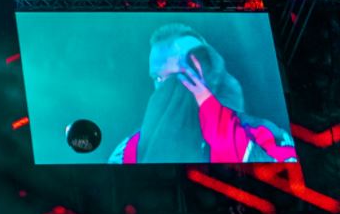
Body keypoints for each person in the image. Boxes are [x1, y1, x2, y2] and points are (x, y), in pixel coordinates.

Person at [110, 24, 297, 163]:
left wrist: (212, 112)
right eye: (159, 78)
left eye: (185, 73)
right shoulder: (130, 149)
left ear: (208, 70)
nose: (173, 87)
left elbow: (282, 180)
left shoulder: (261, 131)